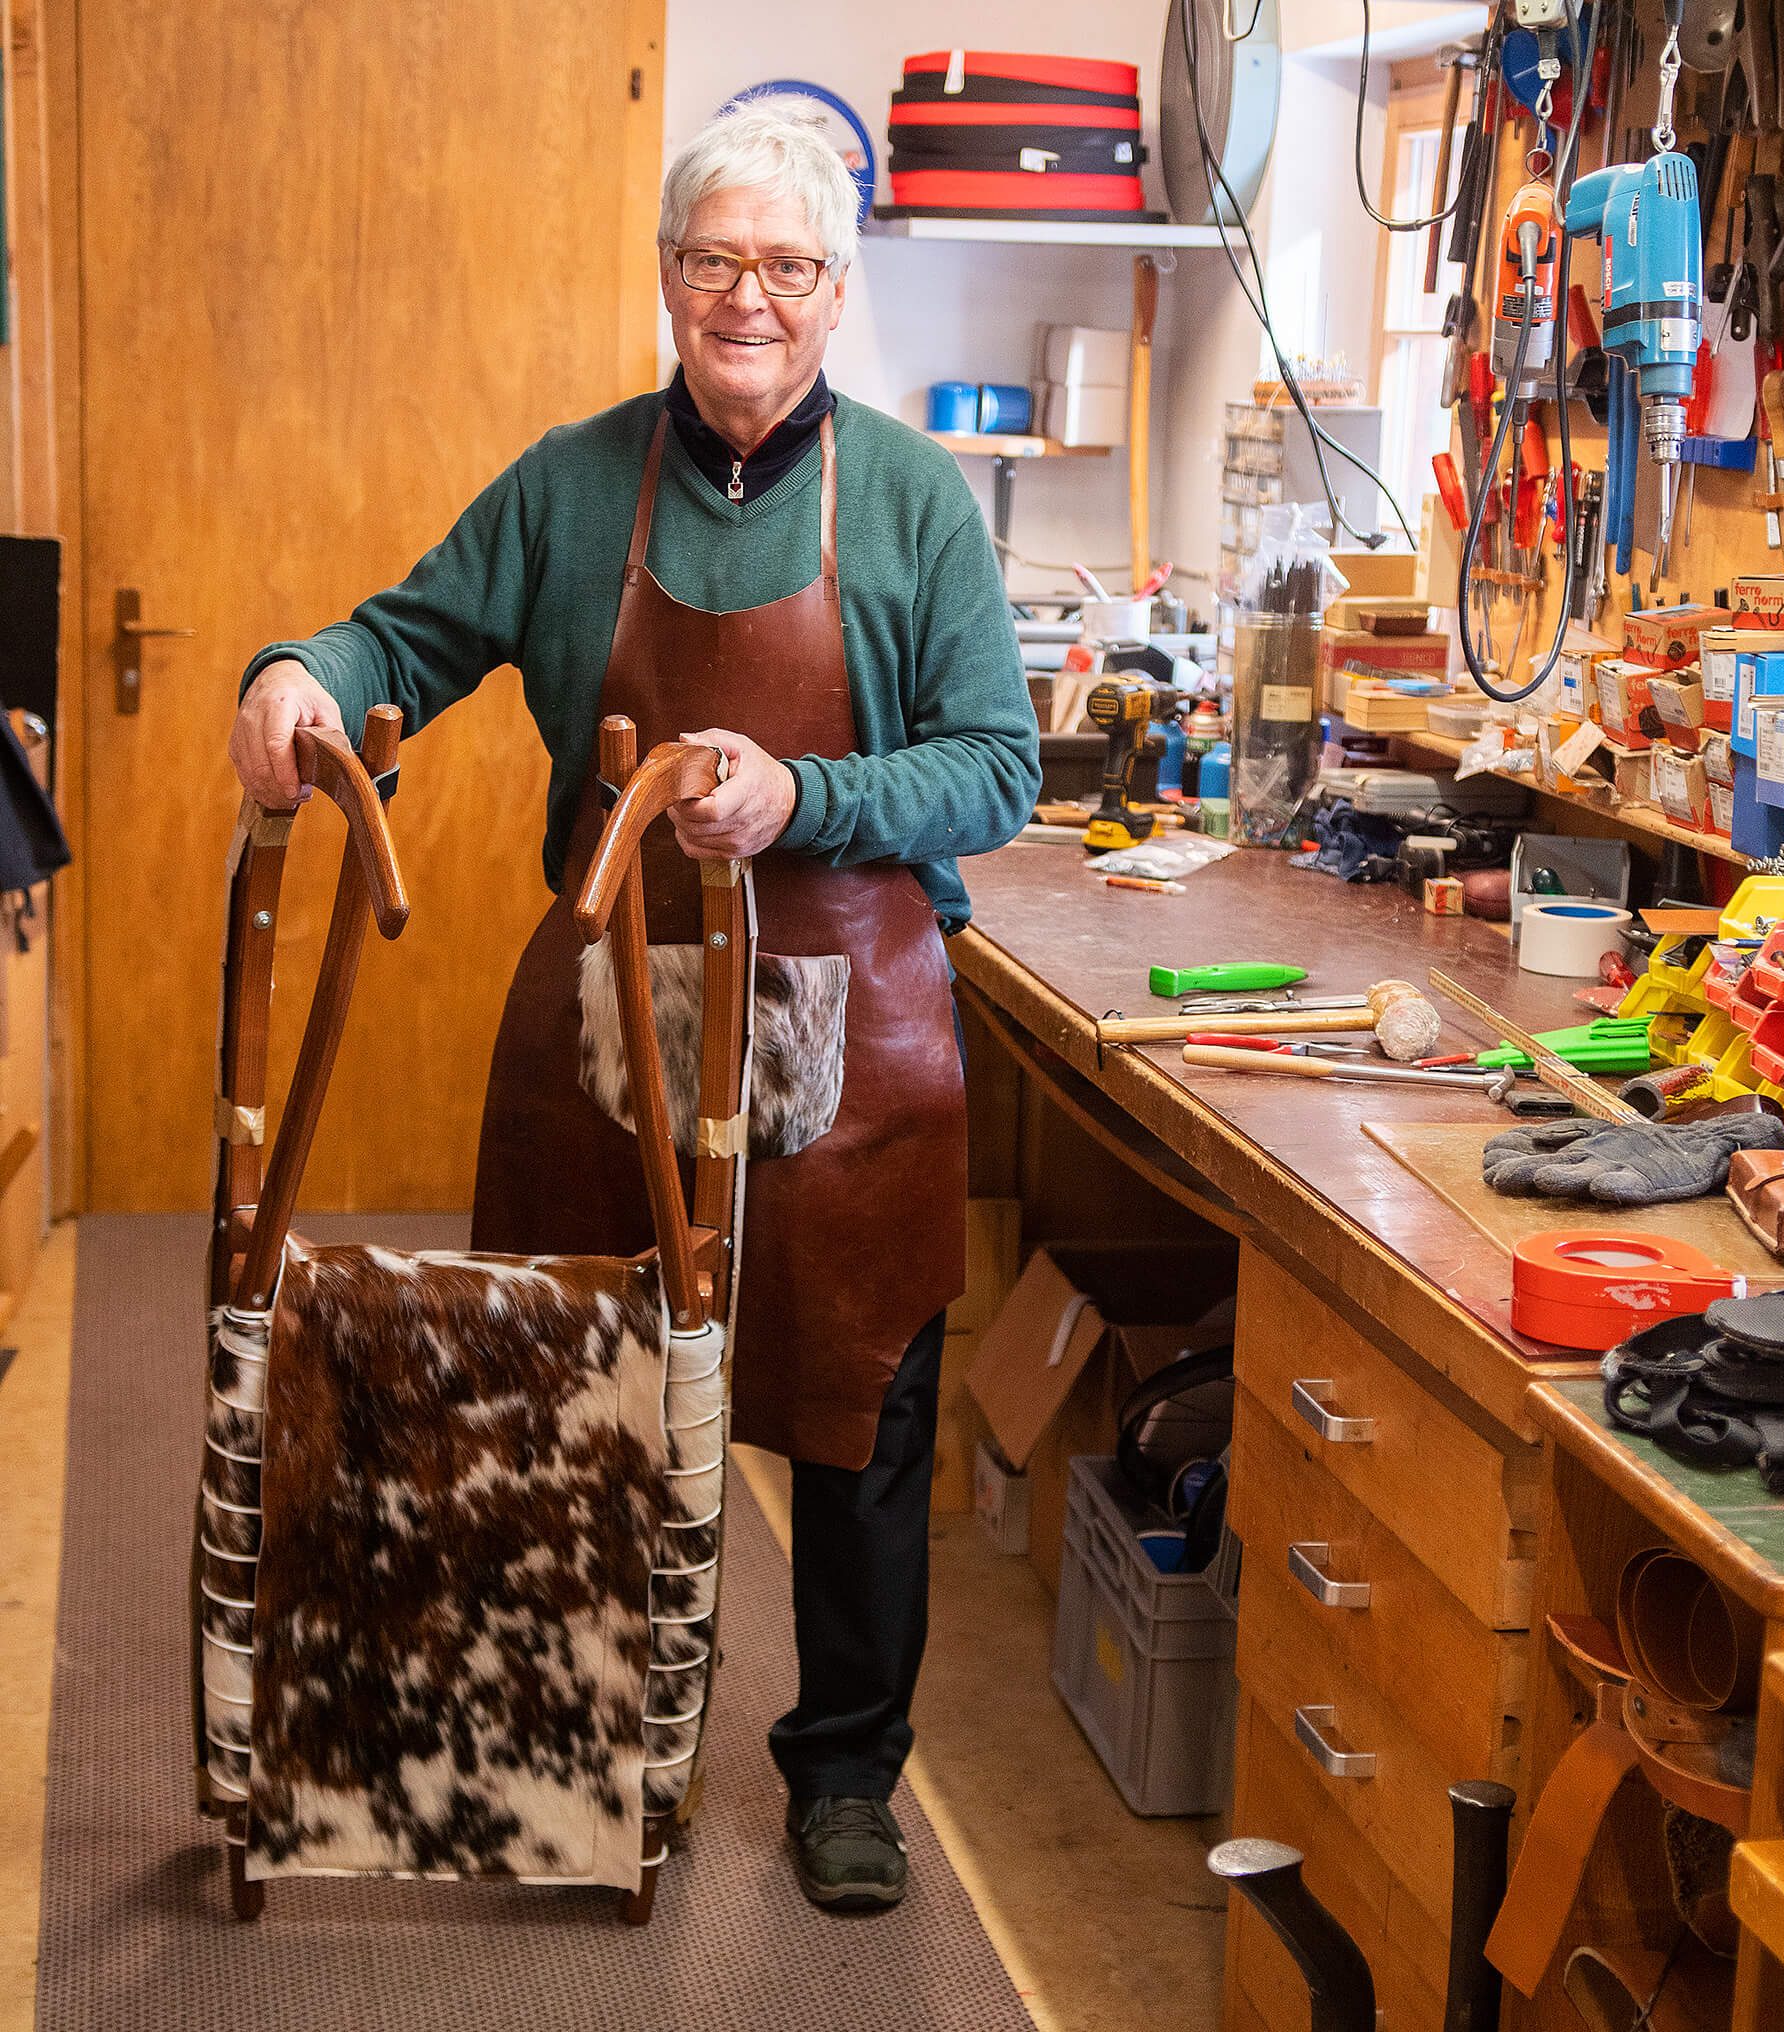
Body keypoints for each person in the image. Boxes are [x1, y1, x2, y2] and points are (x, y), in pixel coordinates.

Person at [228, 105, 1039, 1912]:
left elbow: (1000, 768)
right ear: (668, 276)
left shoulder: (908, 501)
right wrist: (301, 672)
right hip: (611, 1013)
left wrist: (807, 799)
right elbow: (405, 640)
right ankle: (560, 1741)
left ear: (837, 293)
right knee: (570, 1376)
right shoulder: (575, 482)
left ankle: (842, 1780)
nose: (745, 298)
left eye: (786, 266)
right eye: (711, 259)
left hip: (856, 1019)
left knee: (857, 1401)